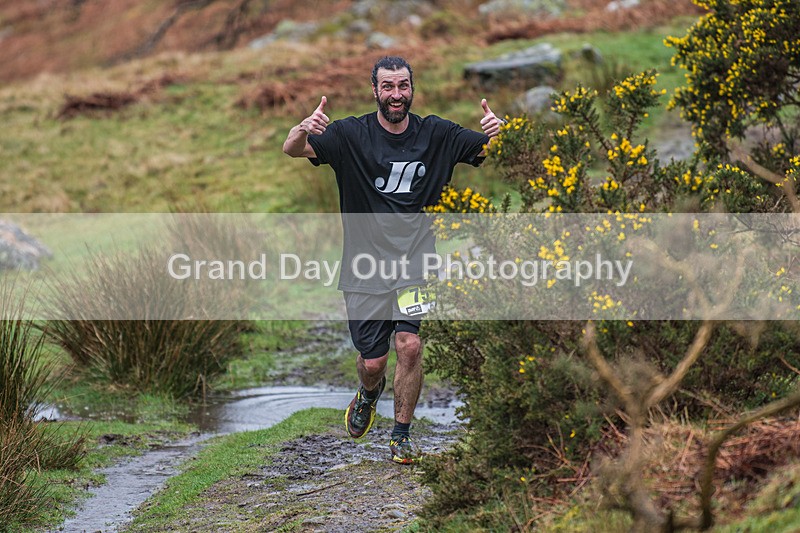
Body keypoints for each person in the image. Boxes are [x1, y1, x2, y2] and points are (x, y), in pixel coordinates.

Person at [283, 56, 503, 464]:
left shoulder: (436, 133)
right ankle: (369, 393)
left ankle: (401, 434)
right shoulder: (351, 133)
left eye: (403, 86)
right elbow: (293, 150)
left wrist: (499, 132)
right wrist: (302, 128)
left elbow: (490, 149)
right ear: (375, 91)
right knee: (373, 361)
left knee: (410, 345)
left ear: (411, 89)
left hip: (415, 260)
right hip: (363, 265)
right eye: (388, 87)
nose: (396, 95)